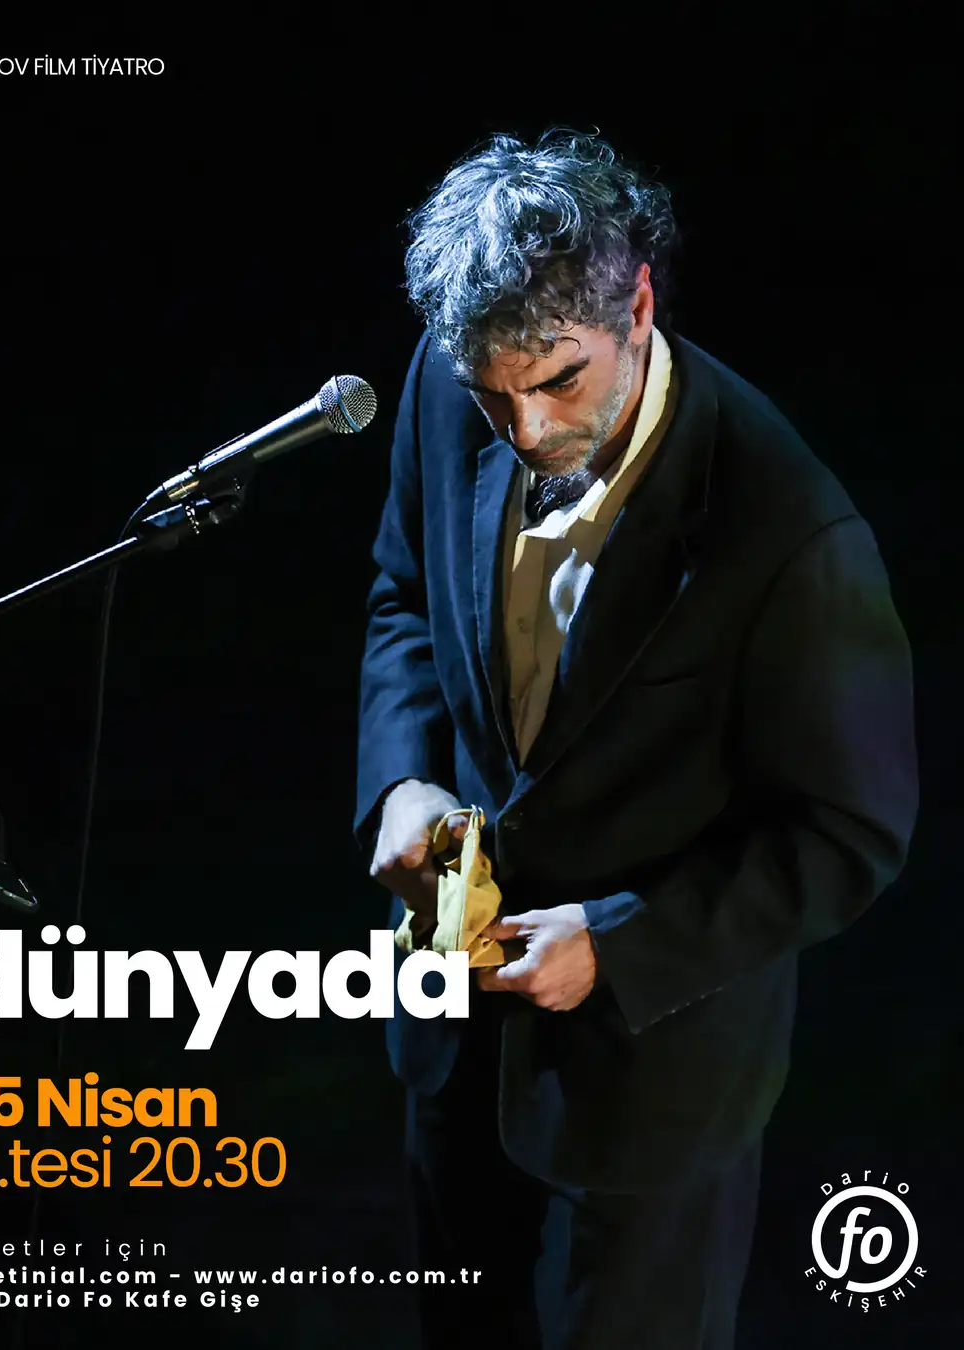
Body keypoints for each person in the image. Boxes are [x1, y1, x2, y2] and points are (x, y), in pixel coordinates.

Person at [354, 130, 918, 1350]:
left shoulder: (791, 527)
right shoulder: (453, 379)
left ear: (640, 308)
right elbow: (404, 595)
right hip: (454, 1048)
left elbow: (849, 835)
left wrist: (617, 947)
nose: (522, 429)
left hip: (655, 1081)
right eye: (492, 392)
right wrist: (401, 782)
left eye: (559, 381)